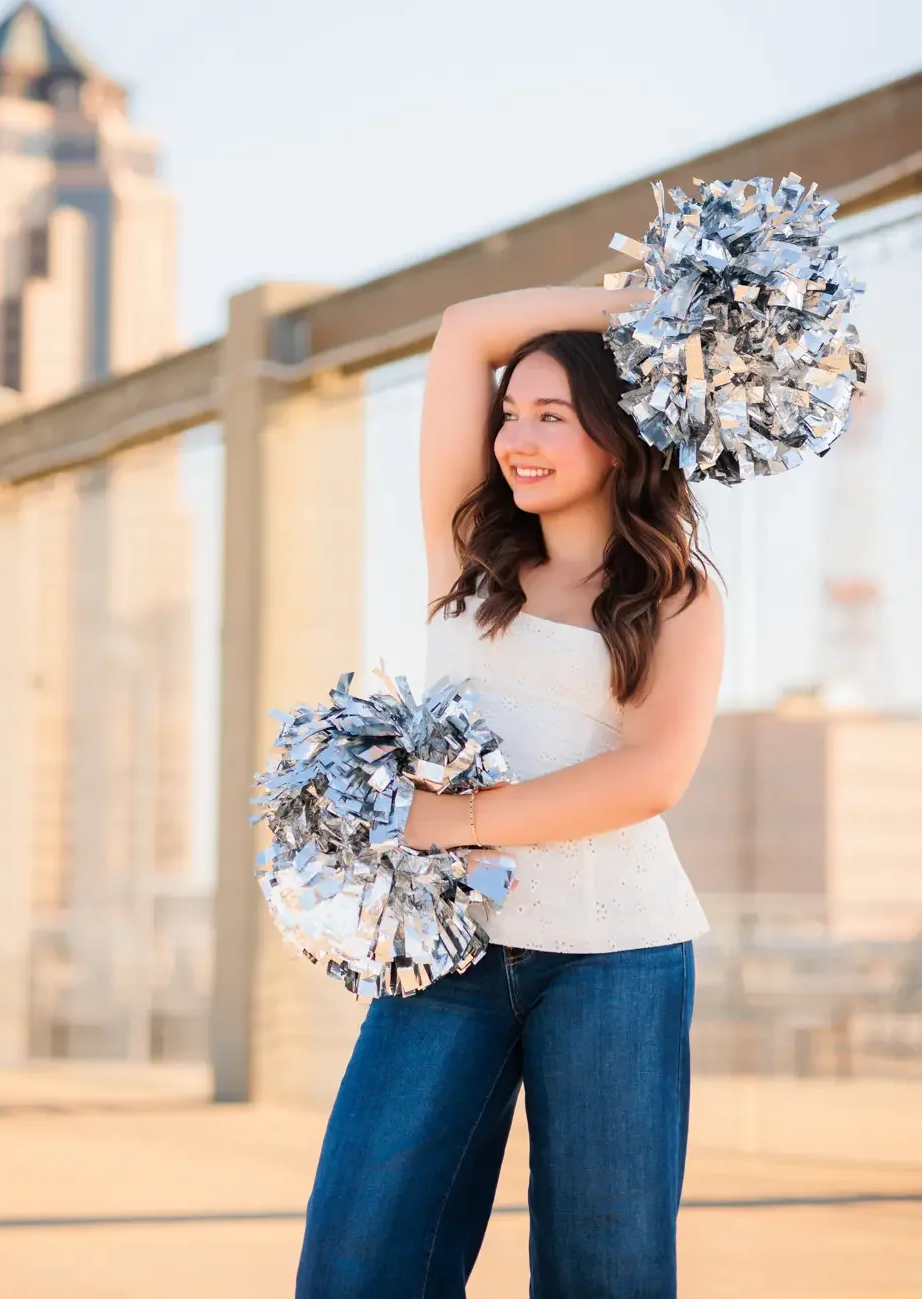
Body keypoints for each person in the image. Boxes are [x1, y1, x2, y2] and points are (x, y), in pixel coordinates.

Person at [295, 283, 724, 1299]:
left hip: (615, 958)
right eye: (508, 411)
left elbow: (650, 773)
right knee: (357, 1256)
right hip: (448, 948)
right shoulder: (465, 551)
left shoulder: (675, 592)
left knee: (605, 1272)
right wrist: (640, 302)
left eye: (551, 416)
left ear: (620, 436)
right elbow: (460, 331)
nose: (513, 437)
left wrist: (458, 819)